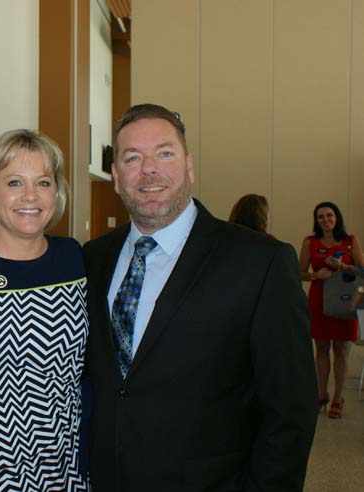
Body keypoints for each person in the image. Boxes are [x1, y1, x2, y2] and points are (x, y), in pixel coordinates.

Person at [83, 103, 317, 491]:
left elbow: (291, 409)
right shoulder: (92, 258)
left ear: (189, 166)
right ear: (116, 177)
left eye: (165, 153)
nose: (149, 169)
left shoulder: (261, 262)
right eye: (132, 158)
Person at [0, 129, 89, 491]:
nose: (30, 195)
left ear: (55, 195)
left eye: (43, 182)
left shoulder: (74, 258)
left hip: (69, 467)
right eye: (14, 182)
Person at [299, 201, 364, 418]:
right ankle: (321, 394)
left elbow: (362, 271)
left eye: (329, 215)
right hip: (319, 301)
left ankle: (338, 398)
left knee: (342, 350)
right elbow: (300, 273)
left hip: (345, 301)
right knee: (322, 349)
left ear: (336, 217)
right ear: (316, 221)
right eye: (320, 217)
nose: (325, 220)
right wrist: (317, 274)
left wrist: (343, 267)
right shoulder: (310, 242)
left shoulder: (350, 241)